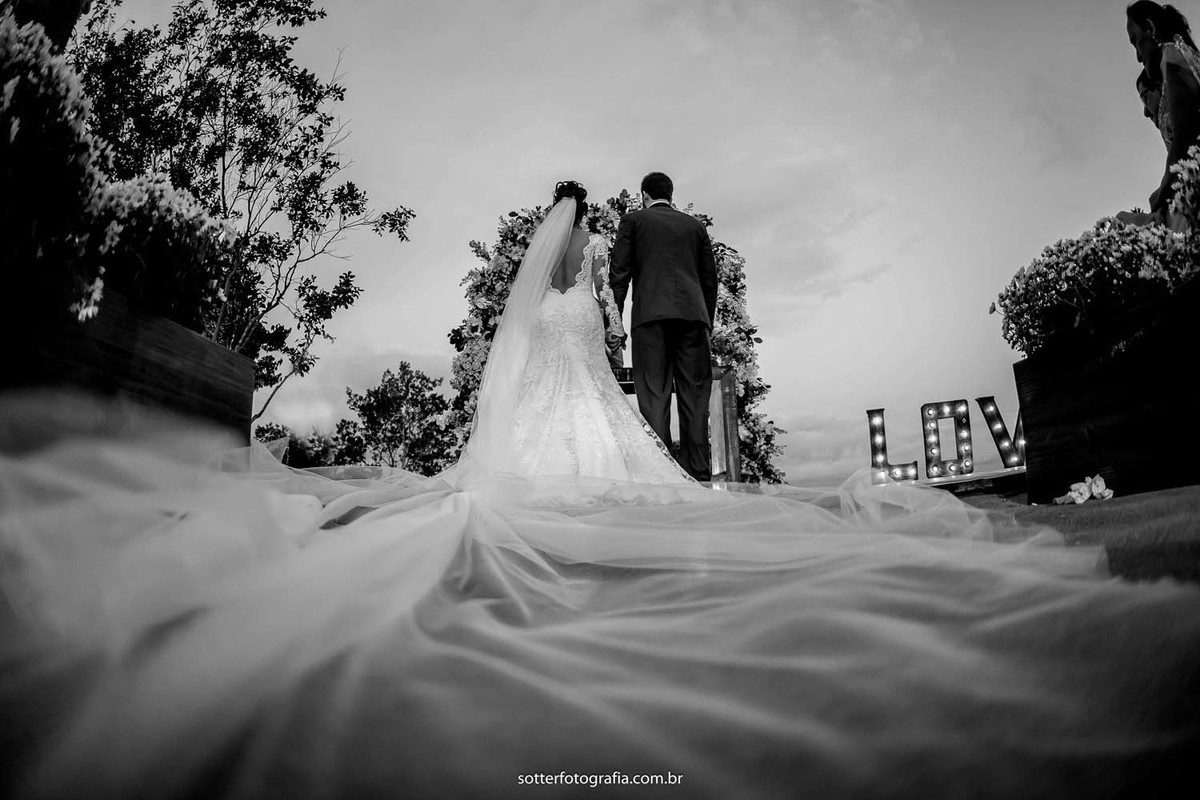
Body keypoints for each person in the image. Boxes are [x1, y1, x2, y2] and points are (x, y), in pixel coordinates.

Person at [451, 180, 694, 488]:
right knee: (589, 381)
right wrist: (616, 329)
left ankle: (521, 464)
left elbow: (529, 290)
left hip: (548, 313)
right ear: (584, 211)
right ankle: (599, 464)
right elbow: (604, 289)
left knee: (543, 380)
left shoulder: (543, 245)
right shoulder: (594, 241)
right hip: (580, 311)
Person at [610, 172, 719, 482]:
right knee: (695, 394)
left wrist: (613, 322)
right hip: (692, 318)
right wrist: (705, 320)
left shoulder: (633, 222)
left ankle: (662, 475)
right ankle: (698, 471)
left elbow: (620, 274)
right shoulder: (694, 226)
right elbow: (709, 279)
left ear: (644, 195)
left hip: (650, 318)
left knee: (655, 394)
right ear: (671, 195)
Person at [1126, 1, 1200, 227]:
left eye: (1135, 43)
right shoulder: (1183, 55)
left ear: (1149, 28)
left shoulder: (1172, 55)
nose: (1139, 56)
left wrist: (1161, 196)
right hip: (1191, 178)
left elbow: (1185, 139)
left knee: (1129, 224)